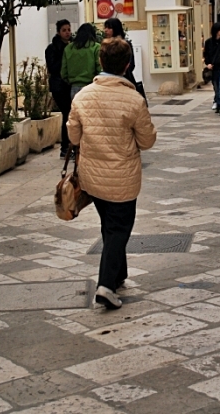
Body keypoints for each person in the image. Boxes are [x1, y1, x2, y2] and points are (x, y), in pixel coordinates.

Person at [67, 37, 156, 310]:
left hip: (93, 177)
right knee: (119, 228)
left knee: (110, 226)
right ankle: (105, 284)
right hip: (123, 177)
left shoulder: (82, 97)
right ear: (127, 64)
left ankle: (118, 275)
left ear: (100, 62)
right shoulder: (133, 99)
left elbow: (73, 133)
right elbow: (147, 141)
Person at [45, 19, 72, 159]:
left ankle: (68, 146)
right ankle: (65, 148)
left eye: (69, 29)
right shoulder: (53, 48)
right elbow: (53, 68)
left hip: (68, 85)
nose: (67, 33)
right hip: (58, 86)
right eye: (64, 30)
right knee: (67, 114)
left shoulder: (72, 46)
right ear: (58, 32)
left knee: (70, 115)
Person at [61, 23, 101, 100]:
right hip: (91, 87)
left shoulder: (69, 48)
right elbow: (99, 68)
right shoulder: (96, 47)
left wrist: (70, 81)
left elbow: (63, 72)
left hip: (74, 88)